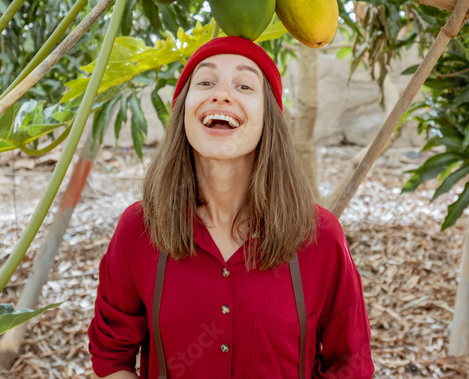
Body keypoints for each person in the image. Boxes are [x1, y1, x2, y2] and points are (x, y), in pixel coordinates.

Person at [88, 36, 375, 379]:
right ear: (182, 112)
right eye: (206, 82)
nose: (221, 94)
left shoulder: (321, 237)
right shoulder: (138, 229)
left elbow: (350, 366)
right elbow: (111, 358)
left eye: (244, 85)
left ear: (270, 117)